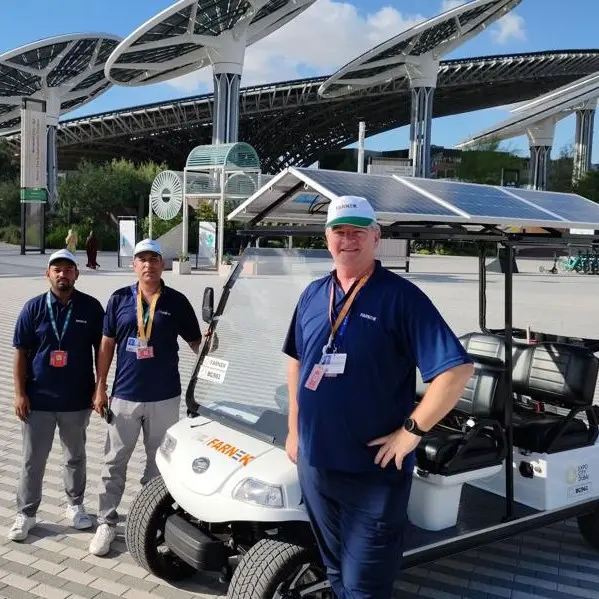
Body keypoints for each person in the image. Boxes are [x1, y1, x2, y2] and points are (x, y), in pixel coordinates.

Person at [282, 196, 474, 599]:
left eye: (357, 231)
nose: (348, 239)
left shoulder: (400, 298)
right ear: (326, 238)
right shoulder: (313, 295)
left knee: (365, 586)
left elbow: (456, 371)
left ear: (376, 237)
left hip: (373, 475)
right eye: (339, 231)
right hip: (316, 468)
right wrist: (294, 430)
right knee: (335, 571)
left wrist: (412, 431)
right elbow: (298, 362)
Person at [89, 238, 202, 556]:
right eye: (143, 259)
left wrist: (213, 343)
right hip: (124, 396)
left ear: (162, 264)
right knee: (114, 463)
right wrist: (100, 386)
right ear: (133, 264)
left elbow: (196, 343)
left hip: (165, 397)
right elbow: (107, 344)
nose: (149, 264)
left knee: (158, 467)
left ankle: (149, 521)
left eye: (154, 259)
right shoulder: (119, 299)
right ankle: (106, 522)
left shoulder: (177, 301)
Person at [9, 249, 105, 541]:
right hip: (38, 400)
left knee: (75, 456)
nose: (63, 275)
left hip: (76, 400)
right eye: (57, 270)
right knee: (32, 460)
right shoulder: (33, 308)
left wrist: (100, 387)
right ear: (47, 274)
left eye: (68, 269)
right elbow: (20, 353)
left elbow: (102, 351)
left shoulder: (90, 308)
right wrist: (19, 393)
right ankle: (26, 514)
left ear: (77, 273)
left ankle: (75, 506)